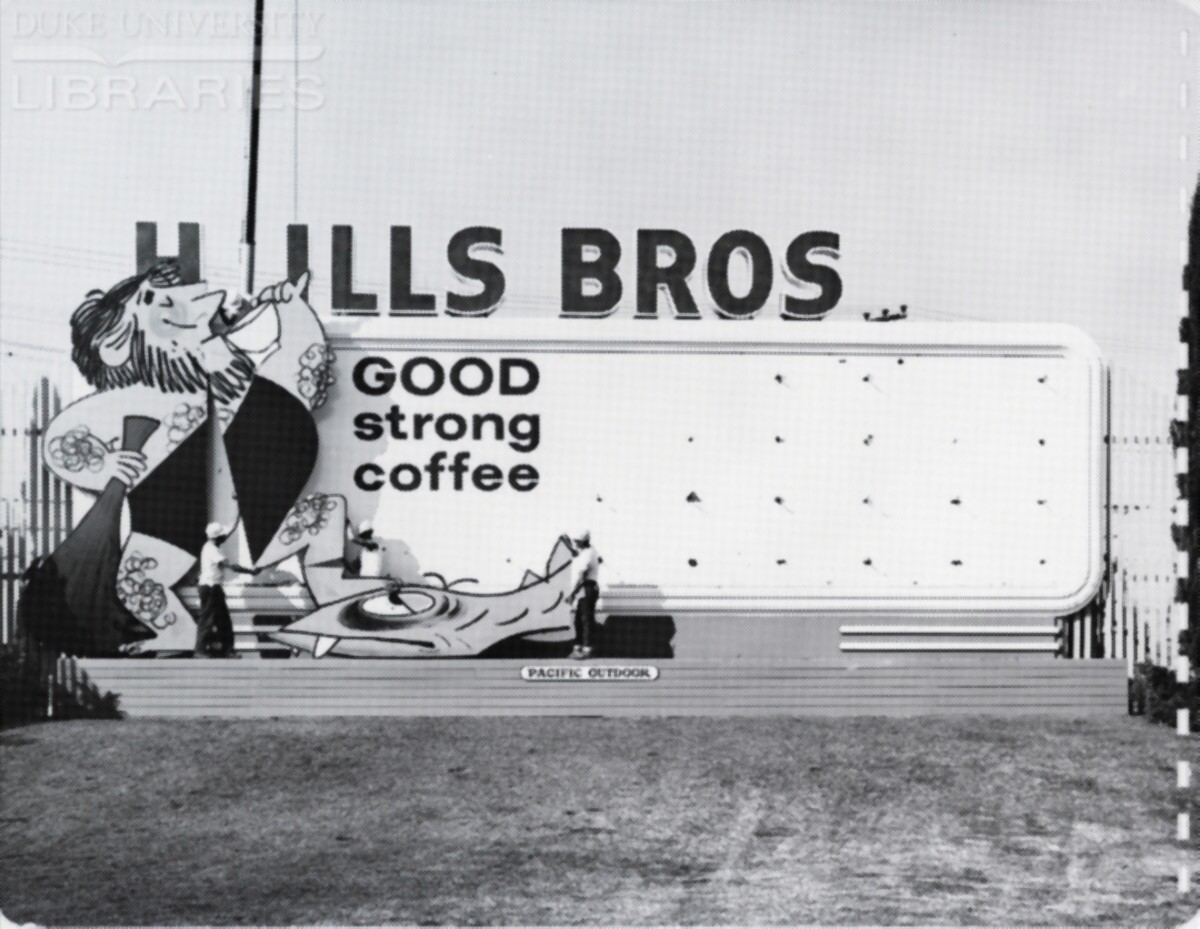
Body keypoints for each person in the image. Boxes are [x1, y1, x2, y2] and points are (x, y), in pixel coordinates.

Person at [195, 522, 254, 657]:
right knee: (208, 619)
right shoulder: (211, 549)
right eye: (223, 535)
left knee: (223, 620)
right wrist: (251, 571)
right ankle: (200, 650)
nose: (225, 537)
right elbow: (231, 566)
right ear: (217, 537)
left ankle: (227, 650)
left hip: (214, 587)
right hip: (210, 588)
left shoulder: (214, 547)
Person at [566, 530, 601, 660]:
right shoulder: (590, 551)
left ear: (583, 542)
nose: (575, 544)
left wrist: (572, 595)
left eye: (577, 542)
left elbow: (581, 577)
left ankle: (587, 650)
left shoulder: (587, 554)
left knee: (585, 620)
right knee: (579, 620)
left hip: (587, 588)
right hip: (587, 588)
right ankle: (579, 648)